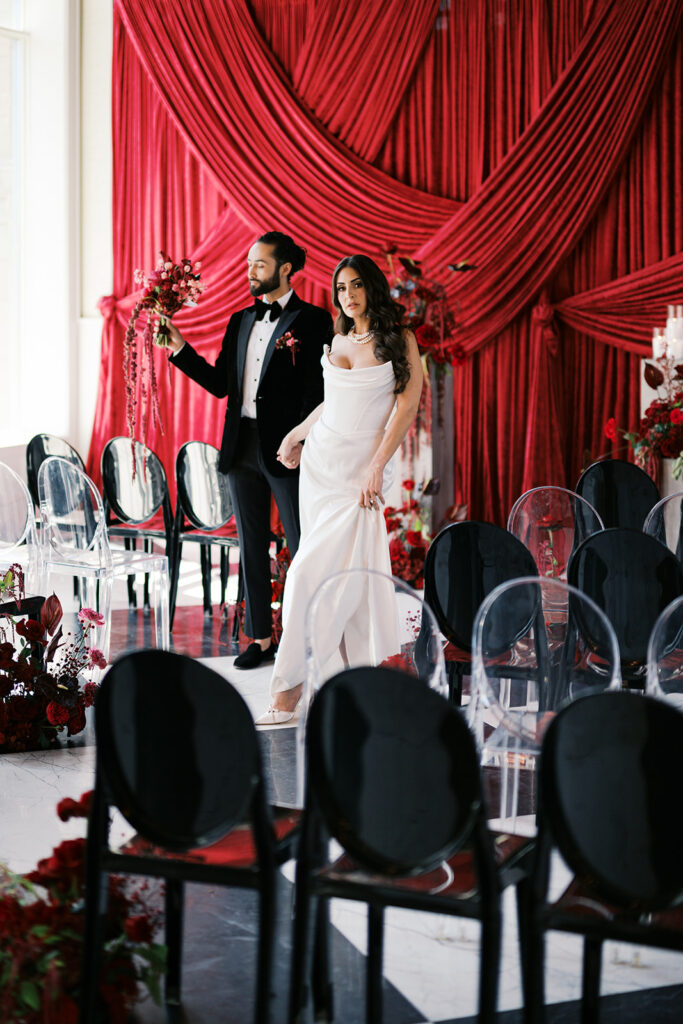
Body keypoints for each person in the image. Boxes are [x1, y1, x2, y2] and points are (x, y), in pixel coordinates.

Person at [255, 254, 422, 725]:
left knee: (312, 575)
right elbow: (332, 403)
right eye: (341, 288)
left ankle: (287, 692)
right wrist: (296, 435)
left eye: (355, 286)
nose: (347, 296)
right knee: (344, 578)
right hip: (321, 469)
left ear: (372, 288)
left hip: (359, 478)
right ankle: (357, 689)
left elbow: (404, 410)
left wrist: (376, 467)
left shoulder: (400, 340)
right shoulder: (338, 335)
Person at [165, 232, 333, 668]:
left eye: (259, 264)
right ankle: (260, 639)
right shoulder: (240, 320)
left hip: (287, 449)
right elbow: (222, 384)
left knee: (301, 546)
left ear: (285, 269)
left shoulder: (314, 321)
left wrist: (298, 439)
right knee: (251, 546)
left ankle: (308, 639)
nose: (250, 272)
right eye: (249, 264)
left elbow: (319, 392)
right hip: (241, 446)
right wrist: (180, 349)